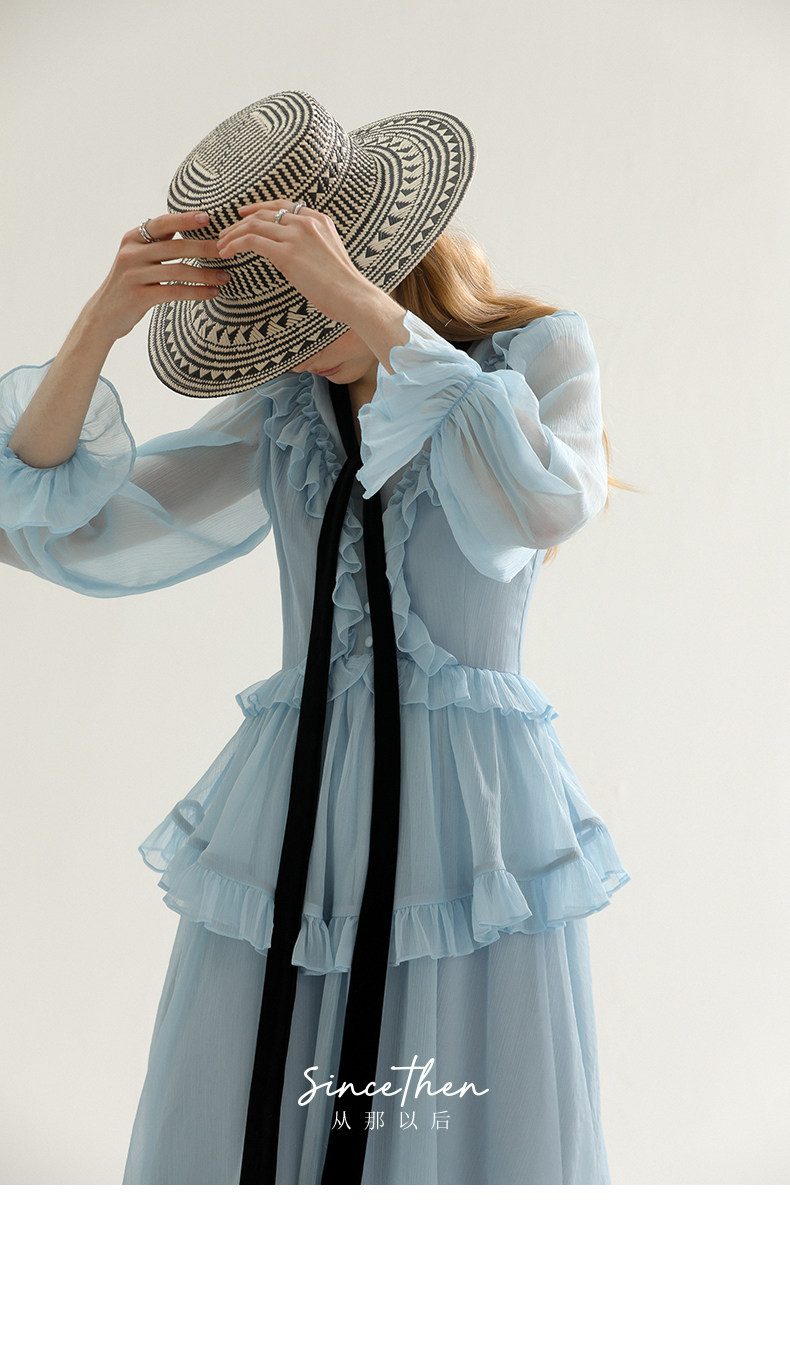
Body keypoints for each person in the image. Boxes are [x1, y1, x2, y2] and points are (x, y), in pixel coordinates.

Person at [0, 90, 632, 1184]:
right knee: (248, 1093)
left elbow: (541, 502)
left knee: (448, 1117)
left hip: (468, 813)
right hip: (299, 798)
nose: (288, 344)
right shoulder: (290, 407)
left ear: (377, 260)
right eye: (270, 321)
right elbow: (60, 522)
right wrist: (98, 324)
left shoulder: (533, 358)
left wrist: (362, 306)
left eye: (303, 310)